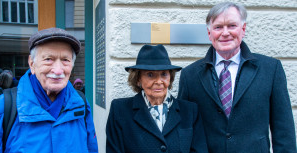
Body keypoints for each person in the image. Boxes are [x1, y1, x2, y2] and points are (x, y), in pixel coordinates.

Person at [177, 2, 296, 153]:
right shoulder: (190, 75)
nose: (225, 33)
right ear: (209, 33)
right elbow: (184, 129)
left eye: (232, 25)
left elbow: (283, 130)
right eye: (218, 27)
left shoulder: (271, 69)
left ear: (243, 29)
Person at [0, 28, 98, 152]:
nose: (58, 70)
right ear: (32, 63)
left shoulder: (80, 104)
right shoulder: (3, 108)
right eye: (48, 59)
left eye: (65, 60)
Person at [106, 44, 208, 153]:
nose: (159, 81)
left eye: (164, 74)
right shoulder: (120, 110)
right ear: (138, 79)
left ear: (170, 77)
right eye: (150, 75)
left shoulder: (190, 111)